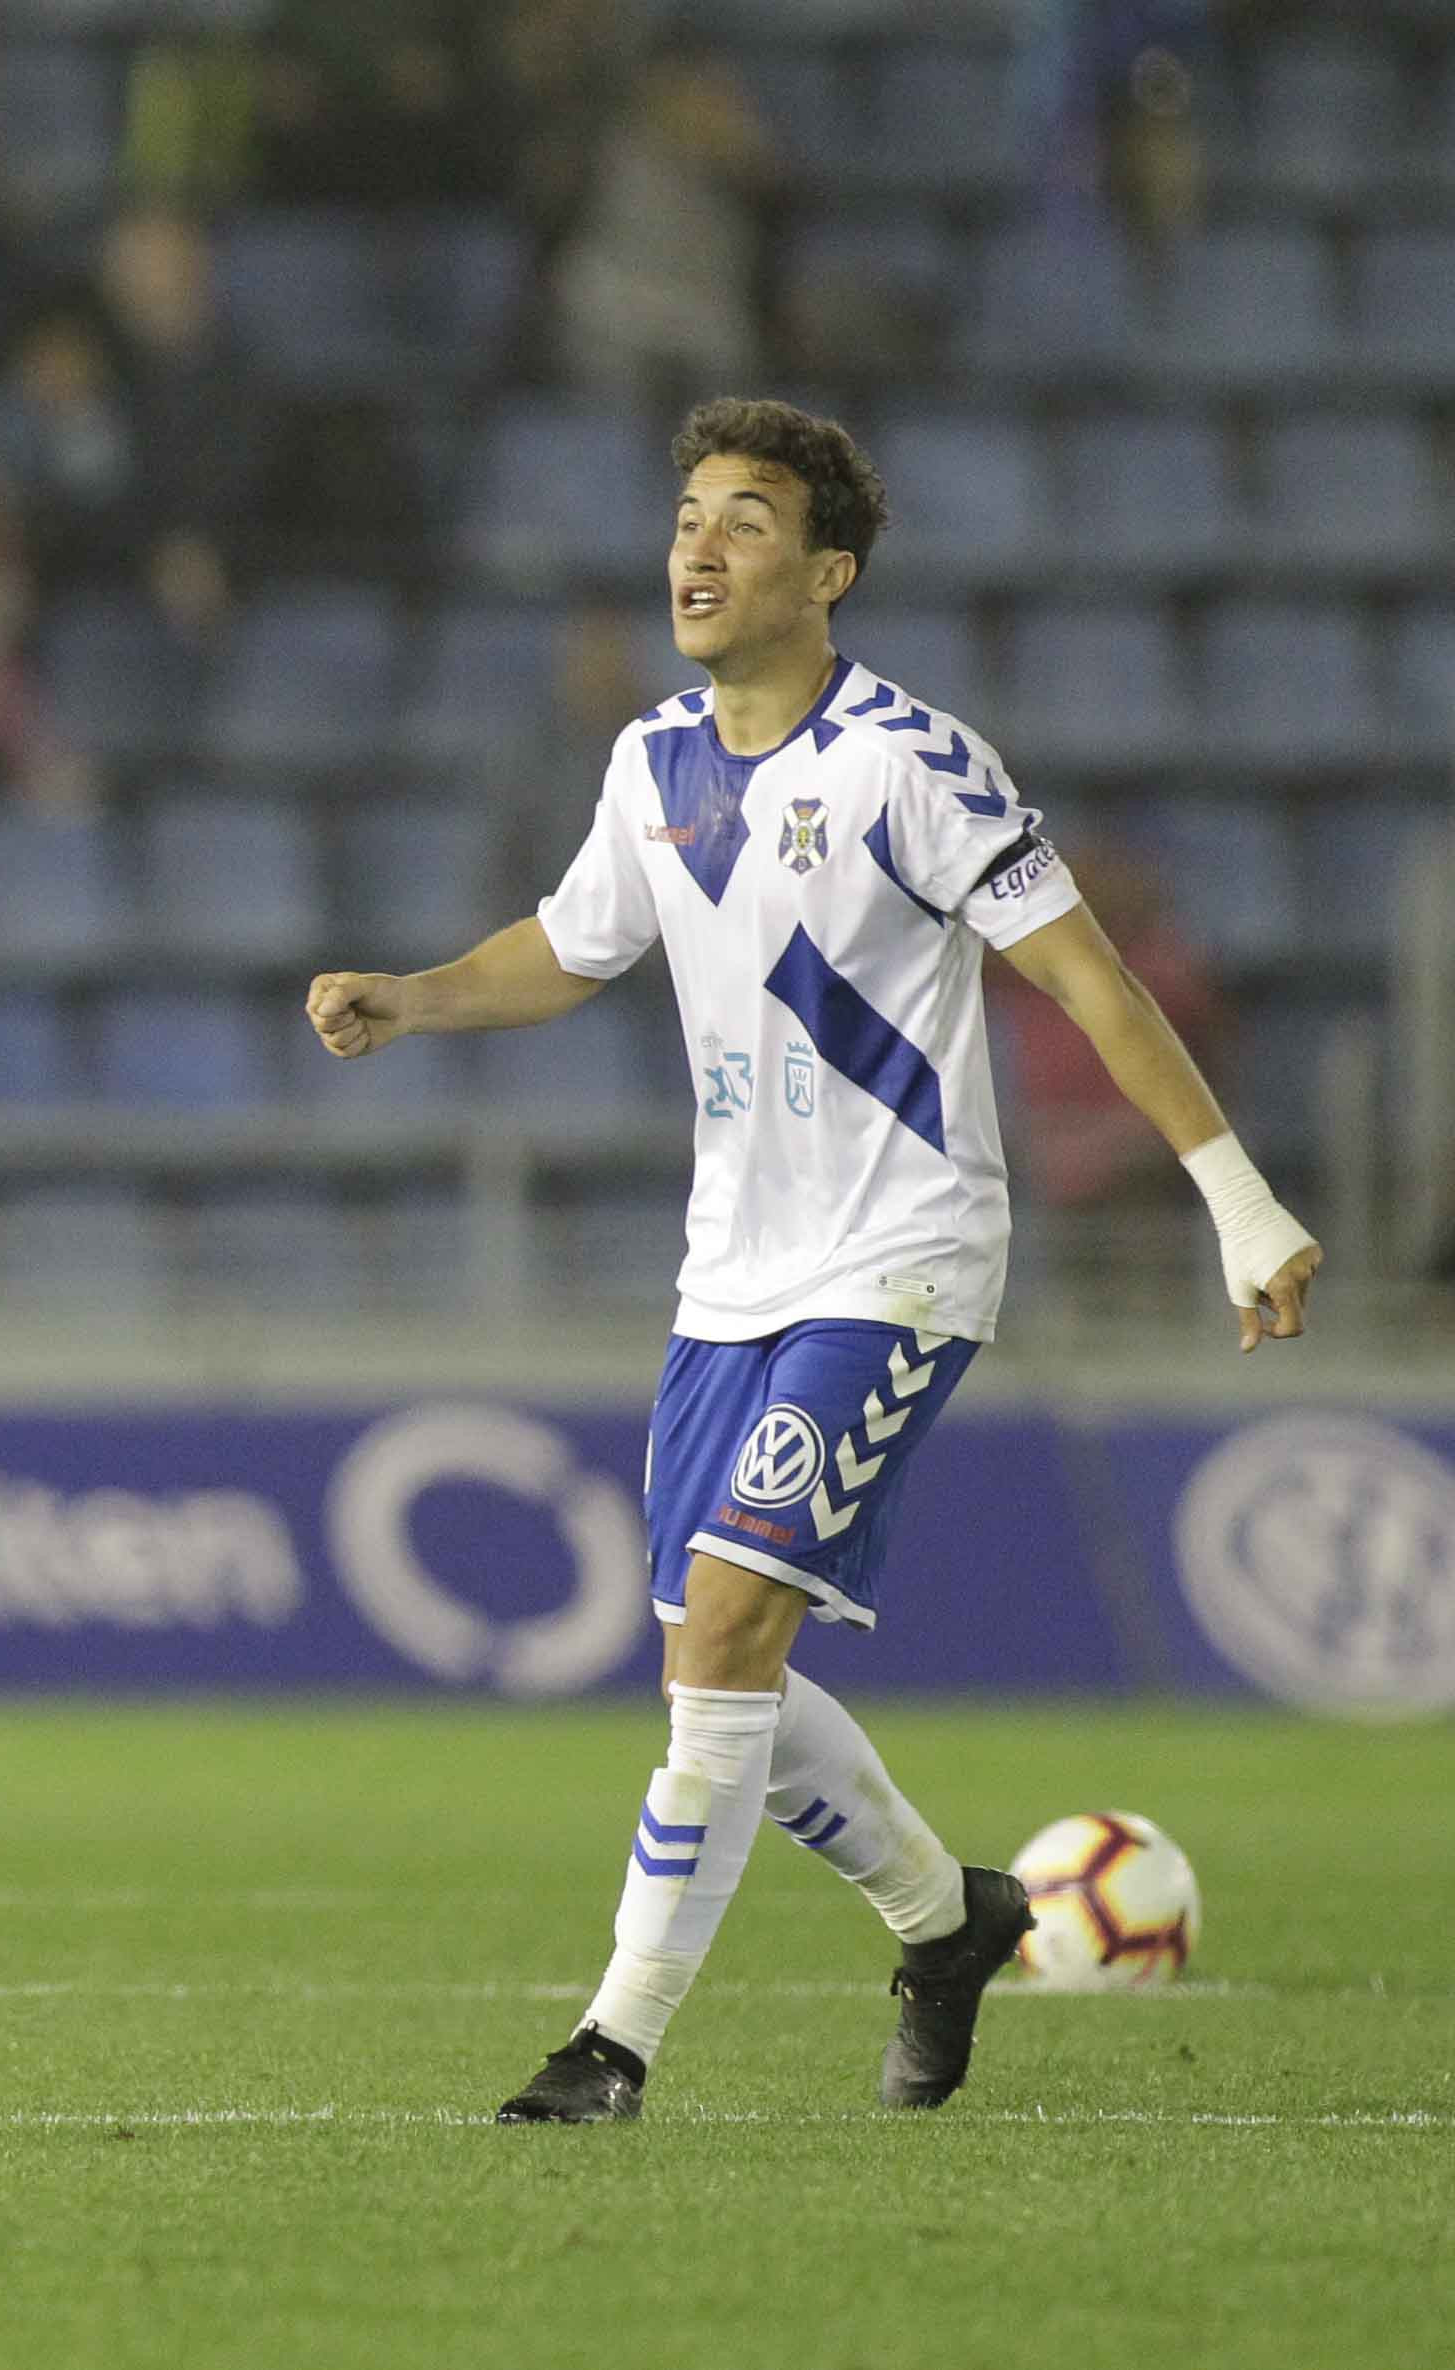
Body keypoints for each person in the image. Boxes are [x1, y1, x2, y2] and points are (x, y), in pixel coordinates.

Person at [303, 398, 1320, 2124]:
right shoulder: (652, 765)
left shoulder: (914, 764)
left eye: (748, 521)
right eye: (689, 512)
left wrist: (1238, 1195)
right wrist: (412, 996)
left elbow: (1084, 977)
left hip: (902, 1256)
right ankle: (953, 1917)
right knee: (729, 1673)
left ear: (829, 572)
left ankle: (609, 2045)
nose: (698, 546)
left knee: (729, 1634)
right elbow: (572, 943)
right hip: (729, 1283)